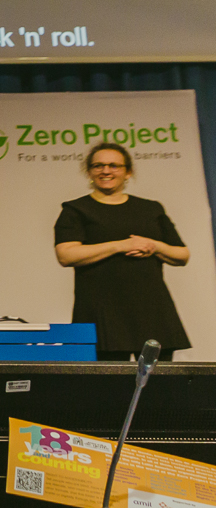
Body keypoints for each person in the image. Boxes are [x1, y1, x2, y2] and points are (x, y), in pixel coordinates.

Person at [53, 141, 190, 360]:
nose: (106, 170)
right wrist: (121, 245)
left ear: (128, 172)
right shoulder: (76, 210)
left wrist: (154, 246)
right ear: (89, 171)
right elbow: (66, 254)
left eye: (113, 165)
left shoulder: (151, 208)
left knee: (157, 387)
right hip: (102, 311)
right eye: (98, 165)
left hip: (151, 310)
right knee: (109, 389)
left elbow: (182, 254)